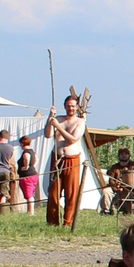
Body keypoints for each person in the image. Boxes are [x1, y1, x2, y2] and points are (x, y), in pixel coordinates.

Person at [44, 94, 87, 228]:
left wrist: (58, 126)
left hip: (72, 160)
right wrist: (50, 118)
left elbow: (72, 139)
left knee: (71, 193)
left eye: (73, 106)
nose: (70, 108)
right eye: (68, 106)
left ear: (77, 107)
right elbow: (48, 134)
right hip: (57, 159)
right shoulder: (58, 119)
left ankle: (68, 223)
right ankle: (52, 223)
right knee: (53, 192)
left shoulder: (80, 122)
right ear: (65, 107)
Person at [15, 135, 40, 214]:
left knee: (29, 195)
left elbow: (26, 157)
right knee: (30, 193)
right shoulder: (32, 151)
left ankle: (31, 212)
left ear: (22, 143)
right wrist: (33, 166)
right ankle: (30, 211)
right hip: (33, 175)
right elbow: (36, 159)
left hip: (27, 176)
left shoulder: (26, 152)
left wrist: (26, 166)